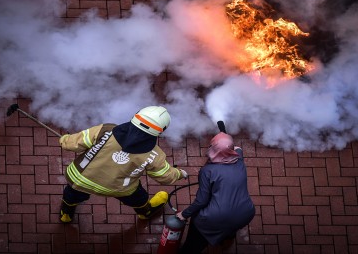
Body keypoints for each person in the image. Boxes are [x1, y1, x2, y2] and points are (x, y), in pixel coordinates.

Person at [57, 105, 188, 223]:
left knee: (72, 194)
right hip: (119, 189)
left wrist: (64, 140)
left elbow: (72, 143)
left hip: (80, 179)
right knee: (139, 198)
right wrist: (179, 174)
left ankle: (66, 214)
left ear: (136, 116)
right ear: (160, 131)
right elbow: (164, 176)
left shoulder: (105, 129)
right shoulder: (155, 154)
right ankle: (145, 213)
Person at [176, 132, 255, 253]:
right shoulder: (239, 159)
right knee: (230, 226)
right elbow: (238, 149)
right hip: (246, 213)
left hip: (215, 218)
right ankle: (226, 237)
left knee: (193, 241)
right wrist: (228, 144)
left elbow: (202, 200)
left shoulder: (207, 171)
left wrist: (184, 214)